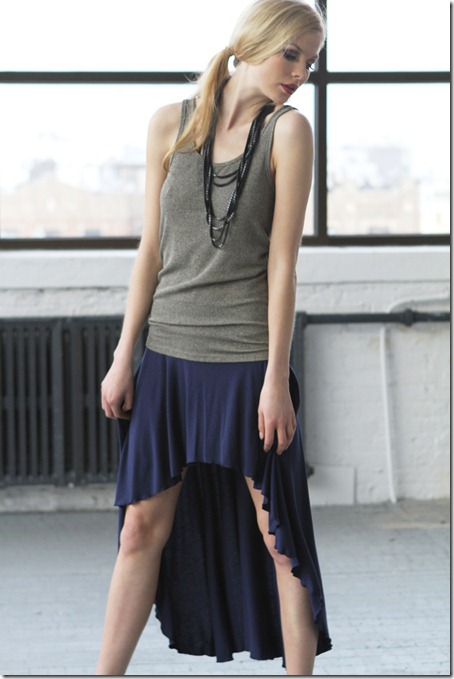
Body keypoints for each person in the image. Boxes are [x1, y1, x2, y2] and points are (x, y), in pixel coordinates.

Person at [97, 0, 332, 674]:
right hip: (168, 356)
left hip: (246, 360)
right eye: (292, 54)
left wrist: (275, 378)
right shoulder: (167, 124)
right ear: (249, 43)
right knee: (139, 529)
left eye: (311, 62)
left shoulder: (289, 132)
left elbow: (283, 265)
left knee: (279, 540)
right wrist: (124, 355)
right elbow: (151, 250)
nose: (301, 73)